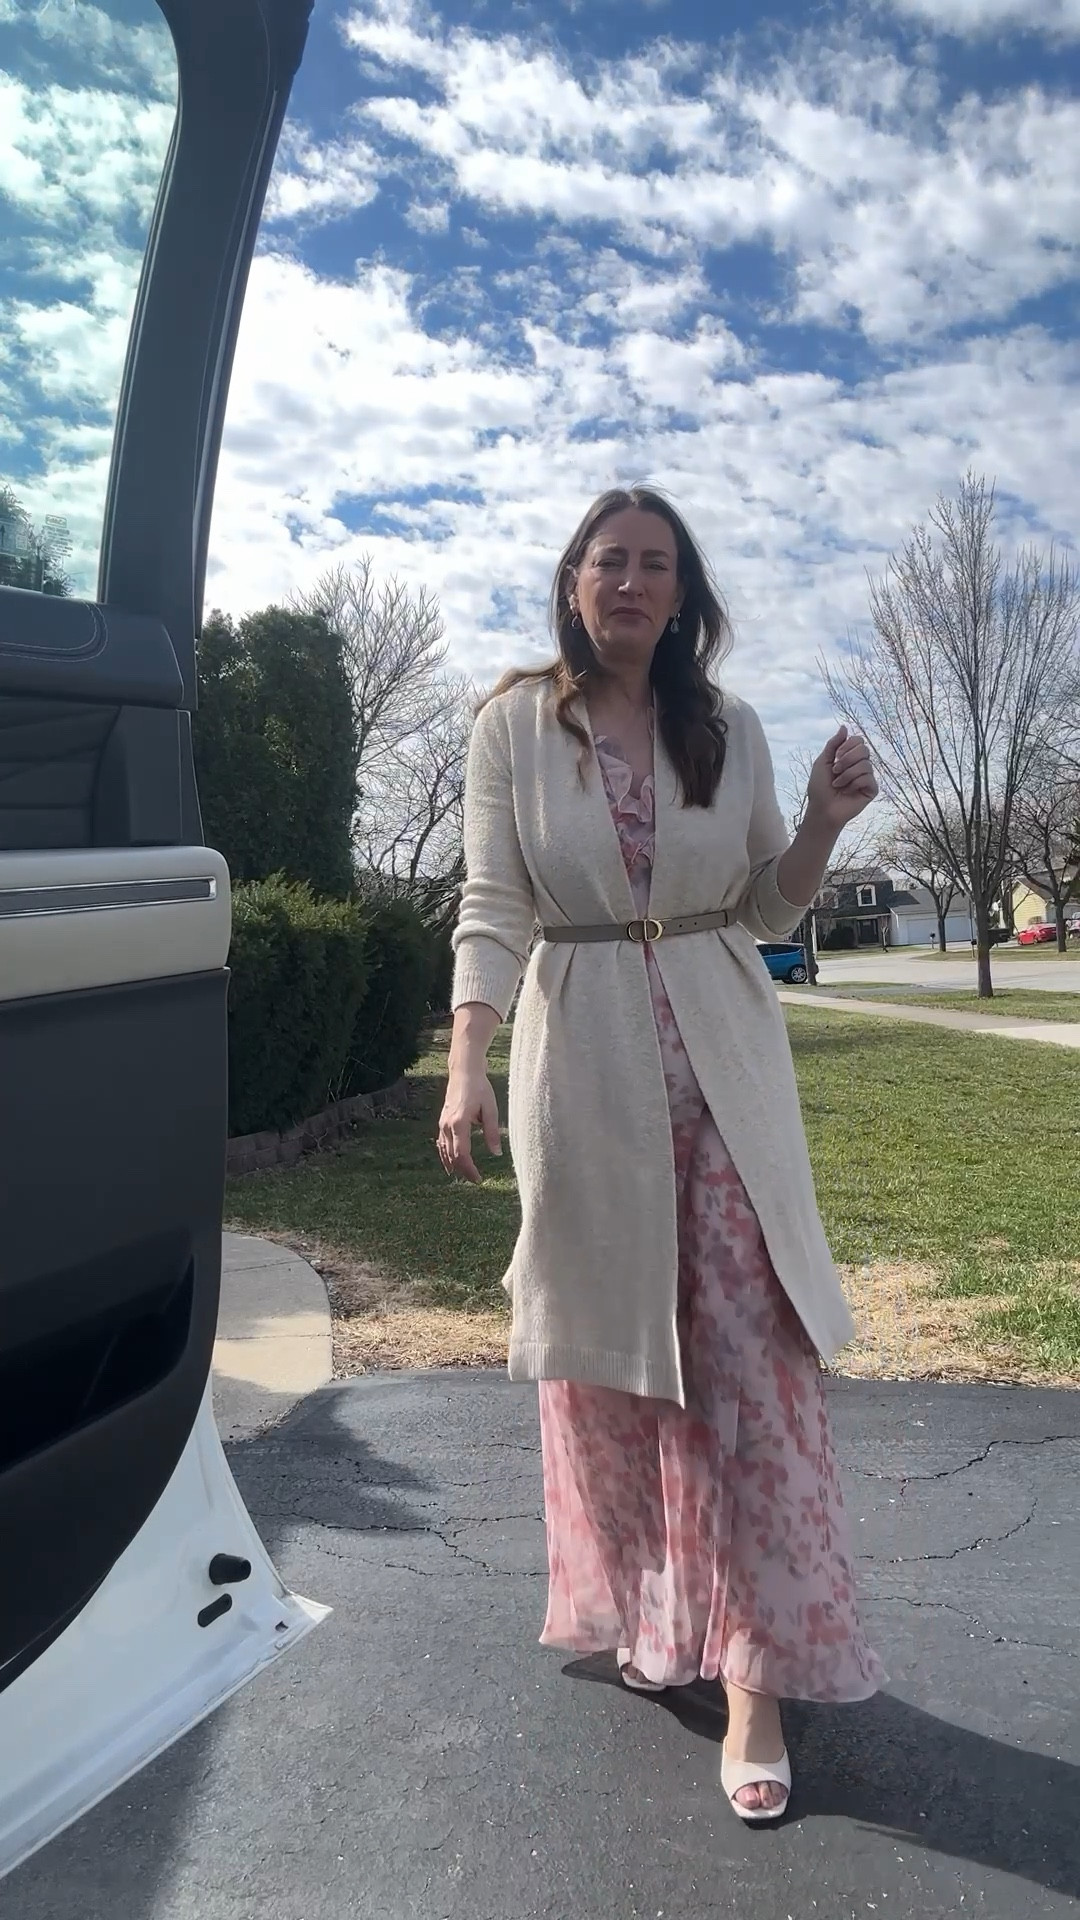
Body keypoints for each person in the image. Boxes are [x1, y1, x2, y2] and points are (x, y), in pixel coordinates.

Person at [437, 485, 885, 1823]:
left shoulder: (727, 726)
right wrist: (466, 1061)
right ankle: (654, 1612)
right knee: (618, 1362)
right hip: (580, 1068)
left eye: (655, 565)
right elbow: (493, 901)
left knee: (748, 1364)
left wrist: (818, 822)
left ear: (683, 594)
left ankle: (756, 1674)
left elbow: (766, 904)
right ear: (572, 580)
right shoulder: (514, 722)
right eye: (607, 560)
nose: (630, 581)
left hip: (729, 1075)